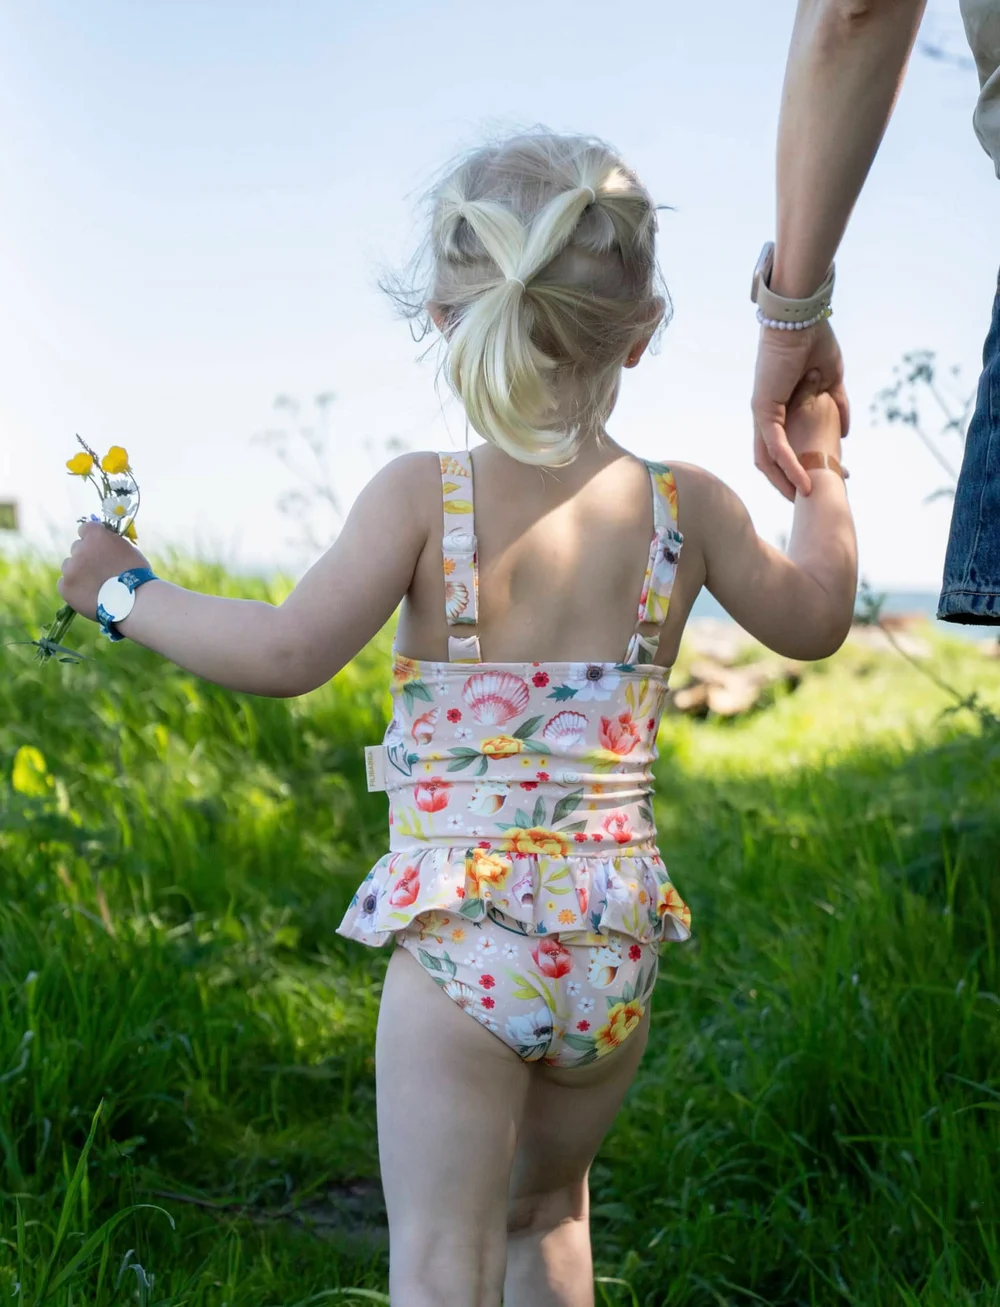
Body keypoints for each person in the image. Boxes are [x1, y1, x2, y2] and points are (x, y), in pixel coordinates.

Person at [57, 132, 857, 1306]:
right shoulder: (692, 507)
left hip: (462, 939)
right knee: (547, 1220)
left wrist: (123, 589)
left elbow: (286, 653)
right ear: (642, 329)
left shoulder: (423, 495)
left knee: (440, 1261)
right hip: (615, 947)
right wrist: (825, 468)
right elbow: (820, 618)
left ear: (443, 312)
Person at [750, 0, 1000, 624]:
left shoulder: (458, 511)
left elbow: (858, 9)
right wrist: (822, 460)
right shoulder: (676, 509)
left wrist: (790, 320)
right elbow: (817, 608)